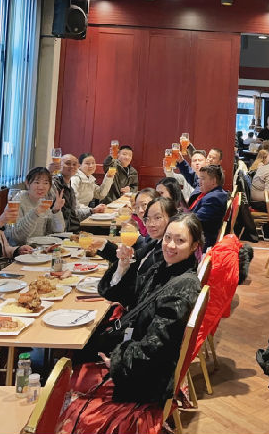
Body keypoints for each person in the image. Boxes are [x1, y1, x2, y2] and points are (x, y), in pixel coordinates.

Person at [62, 214, 203, 434]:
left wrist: (116, 361)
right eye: (168, 238)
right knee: (80, 350)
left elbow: (157, 346)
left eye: (180, 240)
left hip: (146, 377)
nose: (170, 245)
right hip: (138, 355)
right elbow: (131, 296)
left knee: (67, 375)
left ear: (194, 246)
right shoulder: (166, 268)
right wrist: (123, 266)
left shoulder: (184, 286)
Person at [98, 197, 180, 304]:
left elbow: (141, 292)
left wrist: (124, 302)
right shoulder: (154, 243)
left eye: (157, 218)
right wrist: (123, 264)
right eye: (147, 219)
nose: (150, 224)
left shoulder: (169, 253)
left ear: (172, 219)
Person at [5, 167, 66, 246]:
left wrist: (56, 211)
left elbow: (58, 230)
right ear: (27, 183)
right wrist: (35, 213)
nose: (41, 187)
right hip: (20, 250)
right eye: (37, 182)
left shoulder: (43, 201)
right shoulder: (16, 202)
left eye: (45, 183)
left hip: (40, 249)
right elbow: (15, 237)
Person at [187, 164, 229, 249]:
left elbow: (195, 220)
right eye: (199, 178)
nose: (199, 182)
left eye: (202, 178)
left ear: (213, 181)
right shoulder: (215, 193)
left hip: (201, 241)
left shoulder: (214, 198)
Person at [52, 153, 84, 233]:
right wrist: (49, 171)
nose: (72, 166)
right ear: (59, 165)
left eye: (74, 164)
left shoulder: (70, 188)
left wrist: (92, 211)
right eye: (68, 163)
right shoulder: (54, 184)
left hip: (73, 229)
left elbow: (74, 212)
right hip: (59, 231)